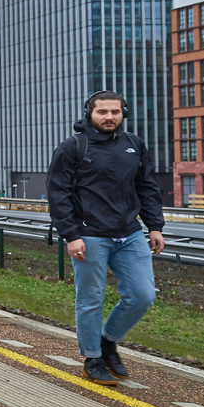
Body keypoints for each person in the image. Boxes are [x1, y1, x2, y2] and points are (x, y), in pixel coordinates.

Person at [46, 91, 164, 386]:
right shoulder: (73, 147)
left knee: (143, 295)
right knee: (90, 299)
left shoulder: (134, 145)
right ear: (89, 114)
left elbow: (147, 186)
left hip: (130, 233)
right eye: (102, 112)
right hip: (89, 235)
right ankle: (92, 357)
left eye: (115, 112)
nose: (109, 117)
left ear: (123, 113)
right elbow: (57, 194)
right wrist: (71, 235)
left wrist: (155, 226)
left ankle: (108, 341)